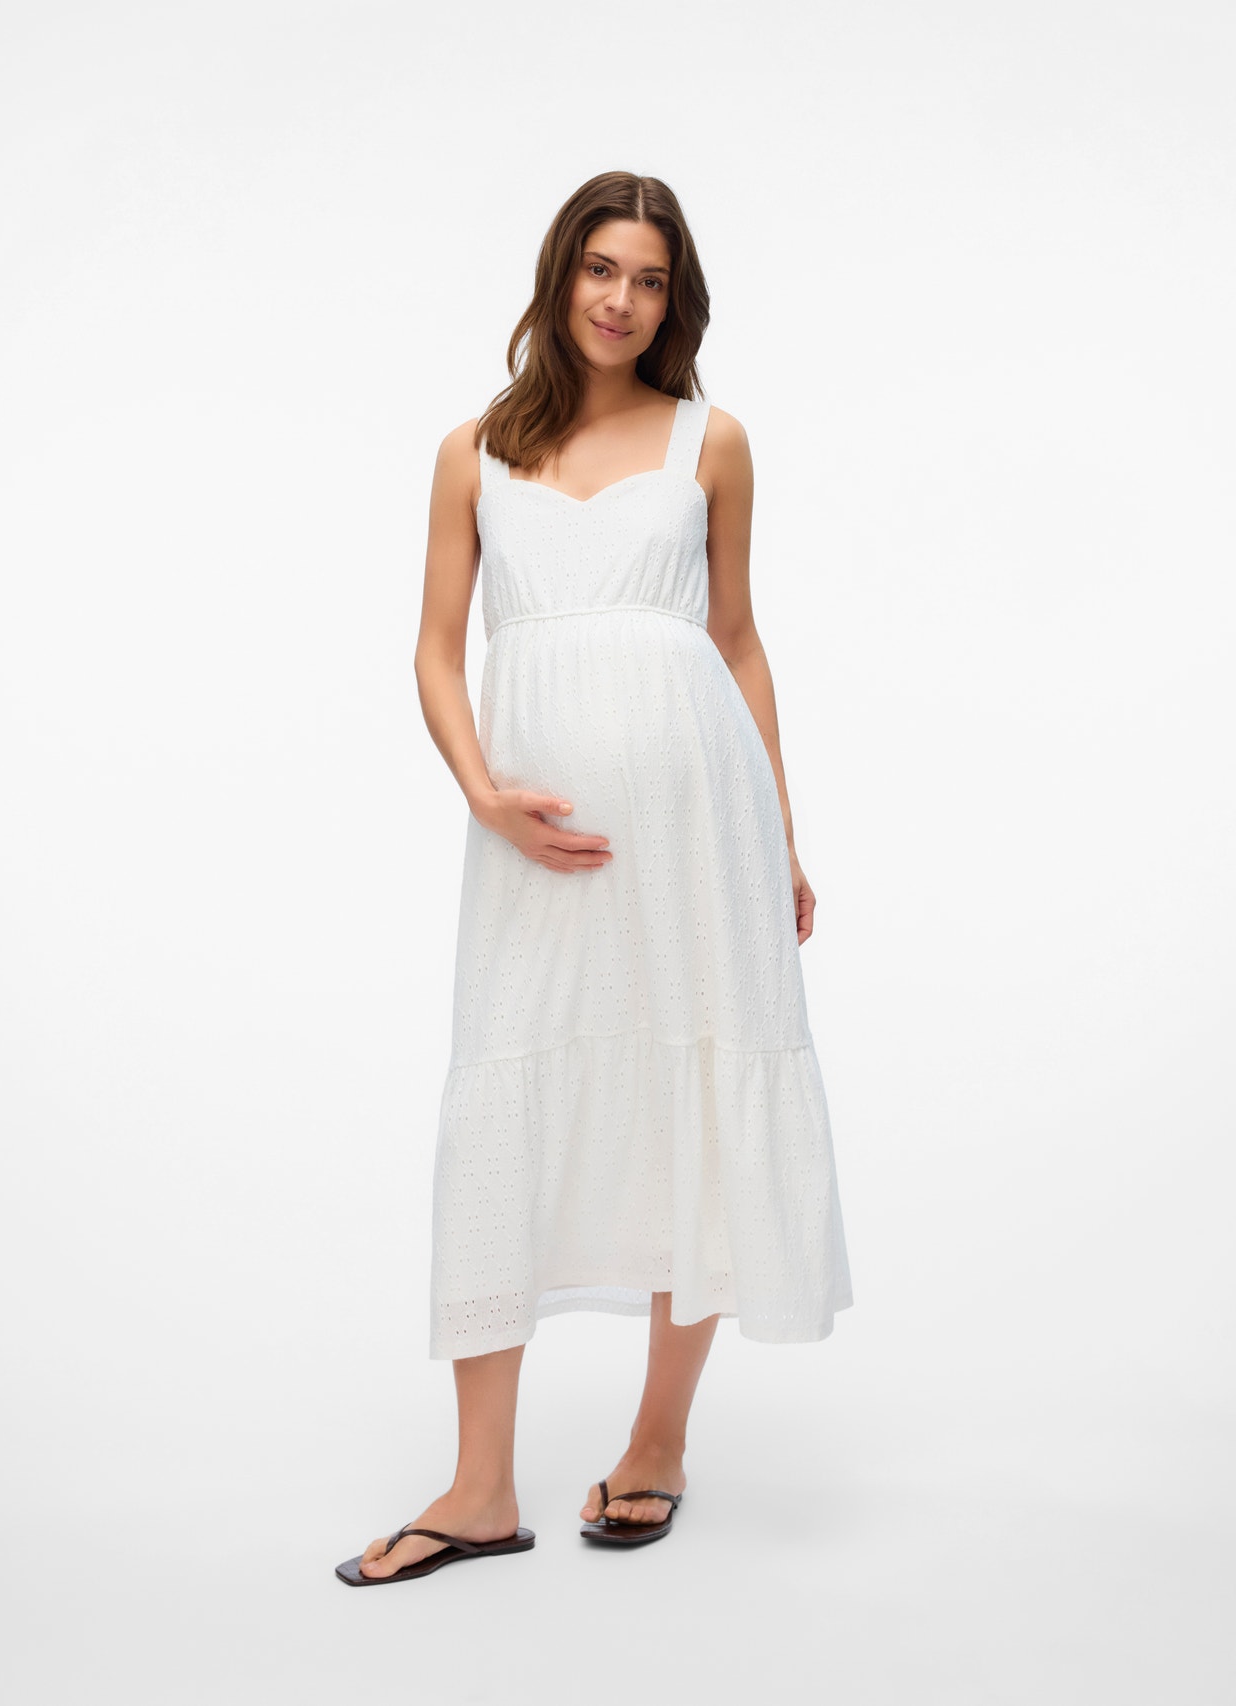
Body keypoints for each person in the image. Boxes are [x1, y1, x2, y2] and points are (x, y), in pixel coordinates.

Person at [335, 171, 853, 1587]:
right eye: (602, 269)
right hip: (539, 842)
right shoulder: (473, 452)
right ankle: (480, 1487)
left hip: (702, 826)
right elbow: (438, 647)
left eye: (651, 279)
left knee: (696, 1093)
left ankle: (658, 1442)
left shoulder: (711, 441)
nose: (623, 300)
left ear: (676, 301)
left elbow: (737, 641)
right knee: (503, 1100)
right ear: (561, 275)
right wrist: (483, 793)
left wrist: (781, 834)